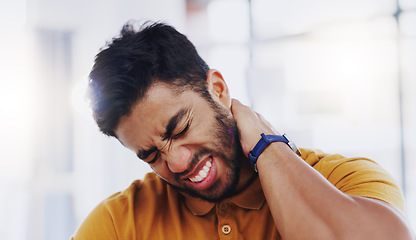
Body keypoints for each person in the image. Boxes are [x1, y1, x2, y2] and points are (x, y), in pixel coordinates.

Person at [71, 21, 414, 240]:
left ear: (218, 90)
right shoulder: (120, 223)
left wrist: (268, 146)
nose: (176, 163)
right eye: (151, 155)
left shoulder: (345, 179)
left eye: (179, 128)